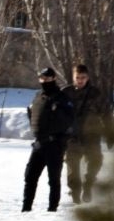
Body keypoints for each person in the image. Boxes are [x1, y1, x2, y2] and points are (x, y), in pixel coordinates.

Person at [22, 67, 75, 212]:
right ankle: (26, 208)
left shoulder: (62, 98)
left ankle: (52, 209)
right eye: (42, 79)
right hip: (39, 144)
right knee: (30, 176)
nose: (44, 81)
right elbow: (33, 115)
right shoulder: (38, 96)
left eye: (47, 78)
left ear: (53, 79)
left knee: (53, 179)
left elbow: (69, 120)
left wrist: (57, 111)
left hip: (54, 144)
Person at [62, 64, 104, 204]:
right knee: (73, 169)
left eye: (83, 77)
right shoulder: (65, 93)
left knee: (96, 162)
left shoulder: (95, 93)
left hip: (91, 136)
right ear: (73, 77)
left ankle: (88, 185)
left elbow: (105, 113)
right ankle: (75, 194)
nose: (80, 80)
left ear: (88, 78)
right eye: (77, 77)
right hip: (72, 138)